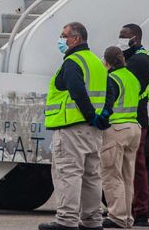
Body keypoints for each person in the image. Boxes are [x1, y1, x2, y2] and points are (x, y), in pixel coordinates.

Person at [39, 22, 115, 230]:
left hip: (72, 127)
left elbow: (76, 90)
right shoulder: (97, 62)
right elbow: (111, 90)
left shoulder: (72, 62)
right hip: (93, 131)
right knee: (91, 176)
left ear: (76, 39)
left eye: (64, 36)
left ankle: (66, 220)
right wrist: (103, 115)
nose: (61, 40)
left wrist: (90, 115)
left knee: (68, 173)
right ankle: (92, 221)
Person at [100, 46, 142, 229]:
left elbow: (107, 104)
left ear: (107, 61)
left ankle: (117, 216)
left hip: (116, 129)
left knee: (111, 174)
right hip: (134, 128)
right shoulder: (132, 77)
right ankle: (126, 218)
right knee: (127, 176)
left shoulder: (112, 78)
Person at [119, 24, 149, 227]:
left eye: (124, 36)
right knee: (126, 167)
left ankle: (140, 212)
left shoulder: (138, 60)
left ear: (135, 38)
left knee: (135, 167)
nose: (121, 39)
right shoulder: (136, 57)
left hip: (136, 119)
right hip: (131, 119)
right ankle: (128, 209)